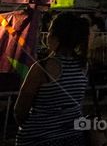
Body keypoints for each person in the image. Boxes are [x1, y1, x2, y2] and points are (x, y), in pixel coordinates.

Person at [15, 13, 90, 146]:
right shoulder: (83, 66)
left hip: (38, 138)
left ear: (56, 37)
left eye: (49, 31)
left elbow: (20, 110)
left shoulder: (42, 68)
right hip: (73, 136)